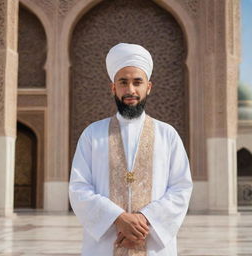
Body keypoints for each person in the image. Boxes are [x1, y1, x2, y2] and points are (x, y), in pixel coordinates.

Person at [69, 43, 193, 256]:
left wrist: (144, 220)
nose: (130, 90)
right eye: (123, 82)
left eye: (137, 82)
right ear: (113, 88)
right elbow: (79, 188)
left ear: (149, 87)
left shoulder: (167, 135)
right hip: (104, 246)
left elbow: (181, 188)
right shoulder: (92, 134)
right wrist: (118, 218)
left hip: (153, 244)